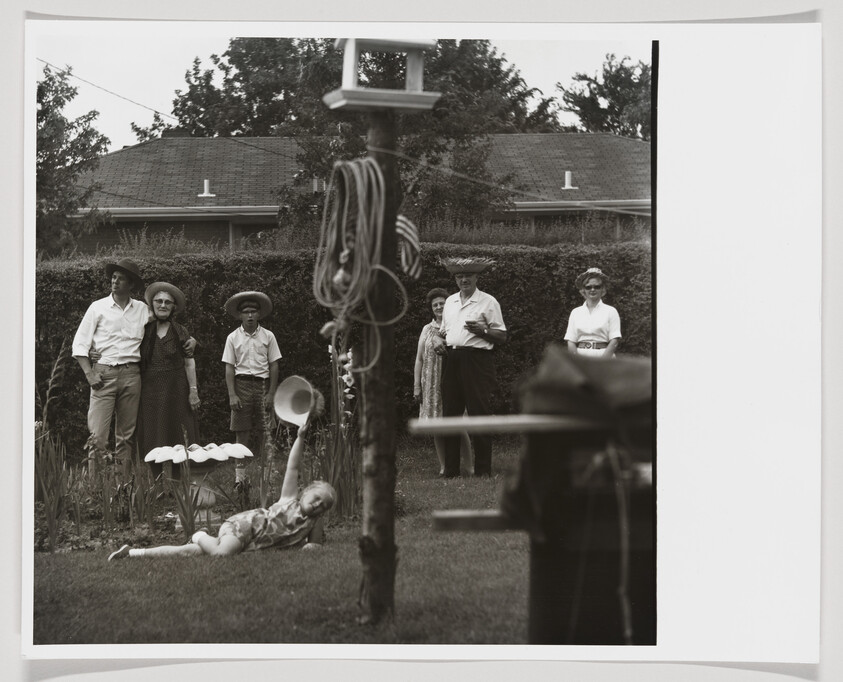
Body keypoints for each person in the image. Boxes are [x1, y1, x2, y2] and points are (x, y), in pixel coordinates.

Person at [108, 416, 335, 560]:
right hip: (246, 526)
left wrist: (313, 543)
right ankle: (200, 534)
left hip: (251, 543)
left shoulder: (312, 522)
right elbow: (293, 467)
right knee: (220, 554)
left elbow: (313, 545)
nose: (317, 504)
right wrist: (300, 438)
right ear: (304, 491)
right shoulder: (289, 500)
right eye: (316, 497)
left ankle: (133, 552)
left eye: (322, 505)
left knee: (190, 553)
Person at [72, 258, 195, 476]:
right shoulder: (97, 308)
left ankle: (121, 487)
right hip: (104, 375)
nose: (115, 281)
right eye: (113, 277)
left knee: (125, 436)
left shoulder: (142, 310)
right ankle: (94, 489)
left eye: (121, 279)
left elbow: (165, 319)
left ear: (132, 285)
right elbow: (80, 344)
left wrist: (192, 340)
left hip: (132, 375)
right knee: (98, 436)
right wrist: (89, 372)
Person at [432, 257, 507, 478]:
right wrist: (437, 340)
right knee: (450, 415)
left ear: (477, 277)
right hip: (451, 359)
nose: (464, 279)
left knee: (479, 413)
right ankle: (451, 470)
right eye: (459, 276)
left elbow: (502, 336)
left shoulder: (488, 302)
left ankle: (483, 470)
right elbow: (442, 331)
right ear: (455, 279)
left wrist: (482, 331)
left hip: (477, 361)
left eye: (468, 276)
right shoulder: (451, 302)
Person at [137, 282, 201, 483]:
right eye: (159, 301)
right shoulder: (142, 329)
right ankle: (156, 482)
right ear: (152, 304)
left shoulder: (181, 331)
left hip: (176, 390)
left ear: (173, 307)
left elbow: (189, 363)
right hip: (149, 391)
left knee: (177, 434)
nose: (163, 305)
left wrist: (193, 391)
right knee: (152, 433)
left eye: (168, 302)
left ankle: (175, 481)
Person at [222, 291, 282, 491]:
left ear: (259, 314)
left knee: (266, 431)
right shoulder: (232, 337)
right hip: (242, 385)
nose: (249, 315)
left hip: (263, 385)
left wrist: (272, 393)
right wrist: (232, 394)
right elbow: (229, 367)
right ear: (239, 315)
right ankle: (241, 479)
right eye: (245, 312)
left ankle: (268, 477)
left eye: (253, 311)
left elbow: (274, 365)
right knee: (242, 433)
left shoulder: (268, 336)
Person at [413, 287, 473, 476]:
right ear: (431, 308)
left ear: (449, 306)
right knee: (436, 426)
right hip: (430, 382)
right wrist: (417, 385)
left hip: (451, 381)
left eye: (442, 303)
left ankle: (470, 466)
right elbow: (419, 359)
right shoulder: (427, 329)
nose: (439, 307)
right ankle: (443, 466)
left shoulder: (456, 325)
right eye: (435, 304)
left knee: (458, 424)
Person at [564, 267, 621, 358]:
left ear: (602, 289)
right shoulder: (575, 312)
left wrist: (602, 362)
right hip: (580, 357)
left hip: (604, 356)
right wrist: (577, 361)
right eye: (588, 287)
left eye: (597, 287)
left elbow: (614, 340)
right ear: (584, 290)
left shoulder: (611, 311)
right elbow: (571, 340)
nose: (592, 289)